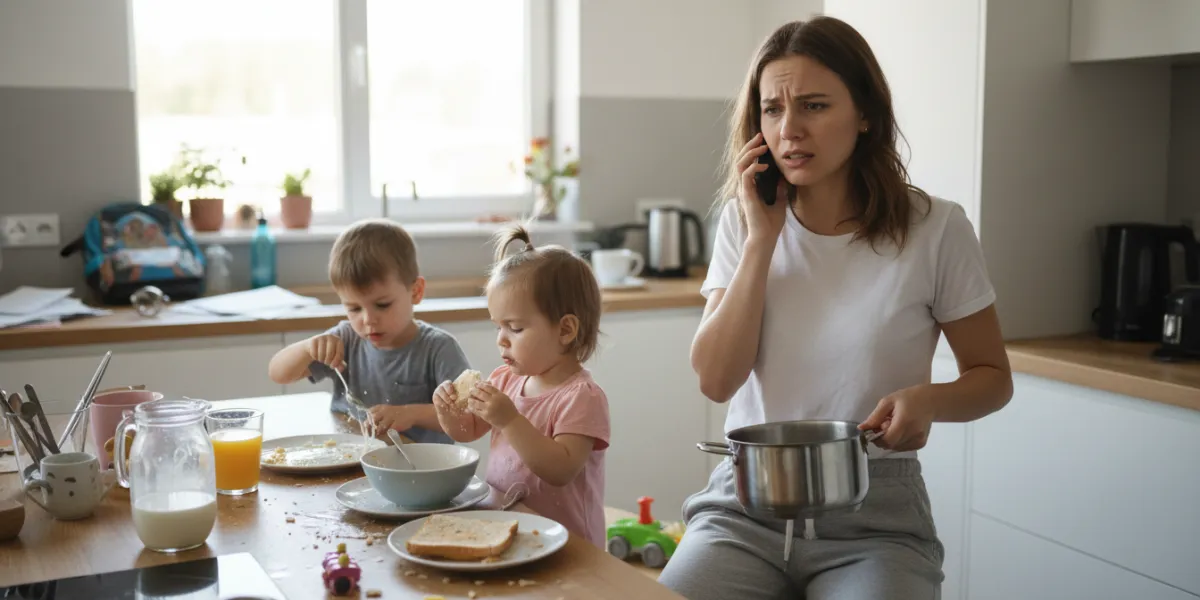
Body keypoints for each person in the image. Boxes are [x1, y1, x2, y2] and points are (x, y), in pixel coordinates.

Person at [659, 16, 1013, 599]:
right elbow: (716, 380)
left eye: (815, 106)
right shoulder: (742, 221)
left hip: (876, 519)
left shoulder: (936, 228)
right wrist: (761, 238)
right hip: (745, 509)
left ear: (866, 114)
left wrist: (928, 400)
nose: (789, 129)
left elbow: (992, 379)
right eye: (772, 109)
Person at [432, 225, 611, 547]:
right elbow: (467, 431)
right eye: (498, 326)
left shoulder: (582, 398)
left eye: (514, 328)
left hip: (568, 544)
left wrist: (511, 420)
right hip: (506, 527)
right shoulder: (505, 379)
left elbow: (561, 469)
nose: (501, 338)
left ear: (566, 330)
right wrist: (447, 411)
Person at [268, 219, 470, 444]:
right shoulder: (345, 339)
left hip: (420, 471)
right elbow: (279, 373)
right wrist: (307, 348)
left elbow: (467, 415)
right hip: (351, 463)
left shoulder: (438, 348)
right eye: (353, 308)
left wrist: (409, 414)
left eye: (382, 305)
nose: (367, 320)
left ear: (416, 291)